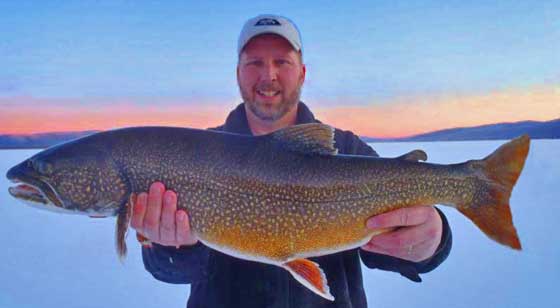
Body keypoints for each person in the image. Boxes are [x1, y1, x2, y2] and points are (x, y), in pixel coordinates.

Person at [131, 14, 452, 308]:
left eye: (281, 62)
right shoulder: (195, 156)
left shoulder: (345, 148)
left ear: (302, 72)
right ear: (238, 73)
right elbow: (170, 270)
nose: (268, 75)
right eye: (255, 62)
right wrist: (172, 247)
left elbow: (390, 247)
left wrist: (431, 240)